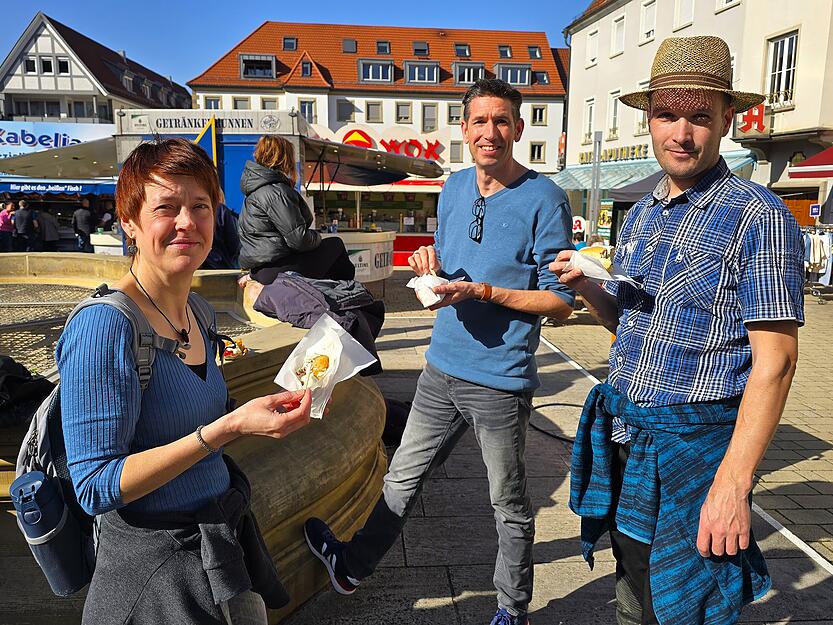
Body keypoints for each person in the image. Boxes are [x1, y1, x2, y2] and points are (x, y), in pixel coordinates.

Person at [550, 36, 803, 625]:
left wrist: (734, 485)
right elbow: (632, 326)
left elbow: (778, 362)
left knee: (689, 603)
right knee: (635, 589)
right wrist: (589, 288)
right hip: (630, 441)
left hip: (698, 453)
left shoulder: (758, 215)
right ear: (648, 117)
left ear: (727, 121)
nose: (681, 134)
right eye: (667, 115)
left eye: (699, 117)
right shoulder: (640, 214)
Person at [304, 79, 575, 625]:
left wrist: (484, 292)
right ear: (464, 129)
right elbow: (452, 267)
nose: (490, 132)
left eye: (502, 121)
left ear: (519, 129)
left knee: (509, 505)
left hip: (500, 381)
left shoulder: (545, 198)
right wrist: (431, 266)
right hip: (440, 368)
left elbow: (560, 300)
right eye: (480, 122)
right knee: (401, 479)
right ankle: (352, 567)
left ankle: (511, 610)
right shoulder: (451, 188)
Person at [57, 138, 313, 624]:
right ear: (129, 222)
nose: (186, 222)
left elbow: (194, 409)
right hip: (152, 583)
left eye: (200, 206)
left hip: (219, 551)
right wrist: (225, 430)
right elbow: (93, 486)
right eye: (166, 207)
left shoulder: (197, 311)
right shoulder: (104, 327)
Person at [238, 135, 355, 284]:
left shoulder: (254, 191)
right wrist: (316, 236)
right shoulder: (276, 192)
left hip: (262, 268)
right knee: (336, 245)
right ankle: (345, 296)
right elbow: (299, 240)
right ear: (285, 158)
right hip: (276, 269)